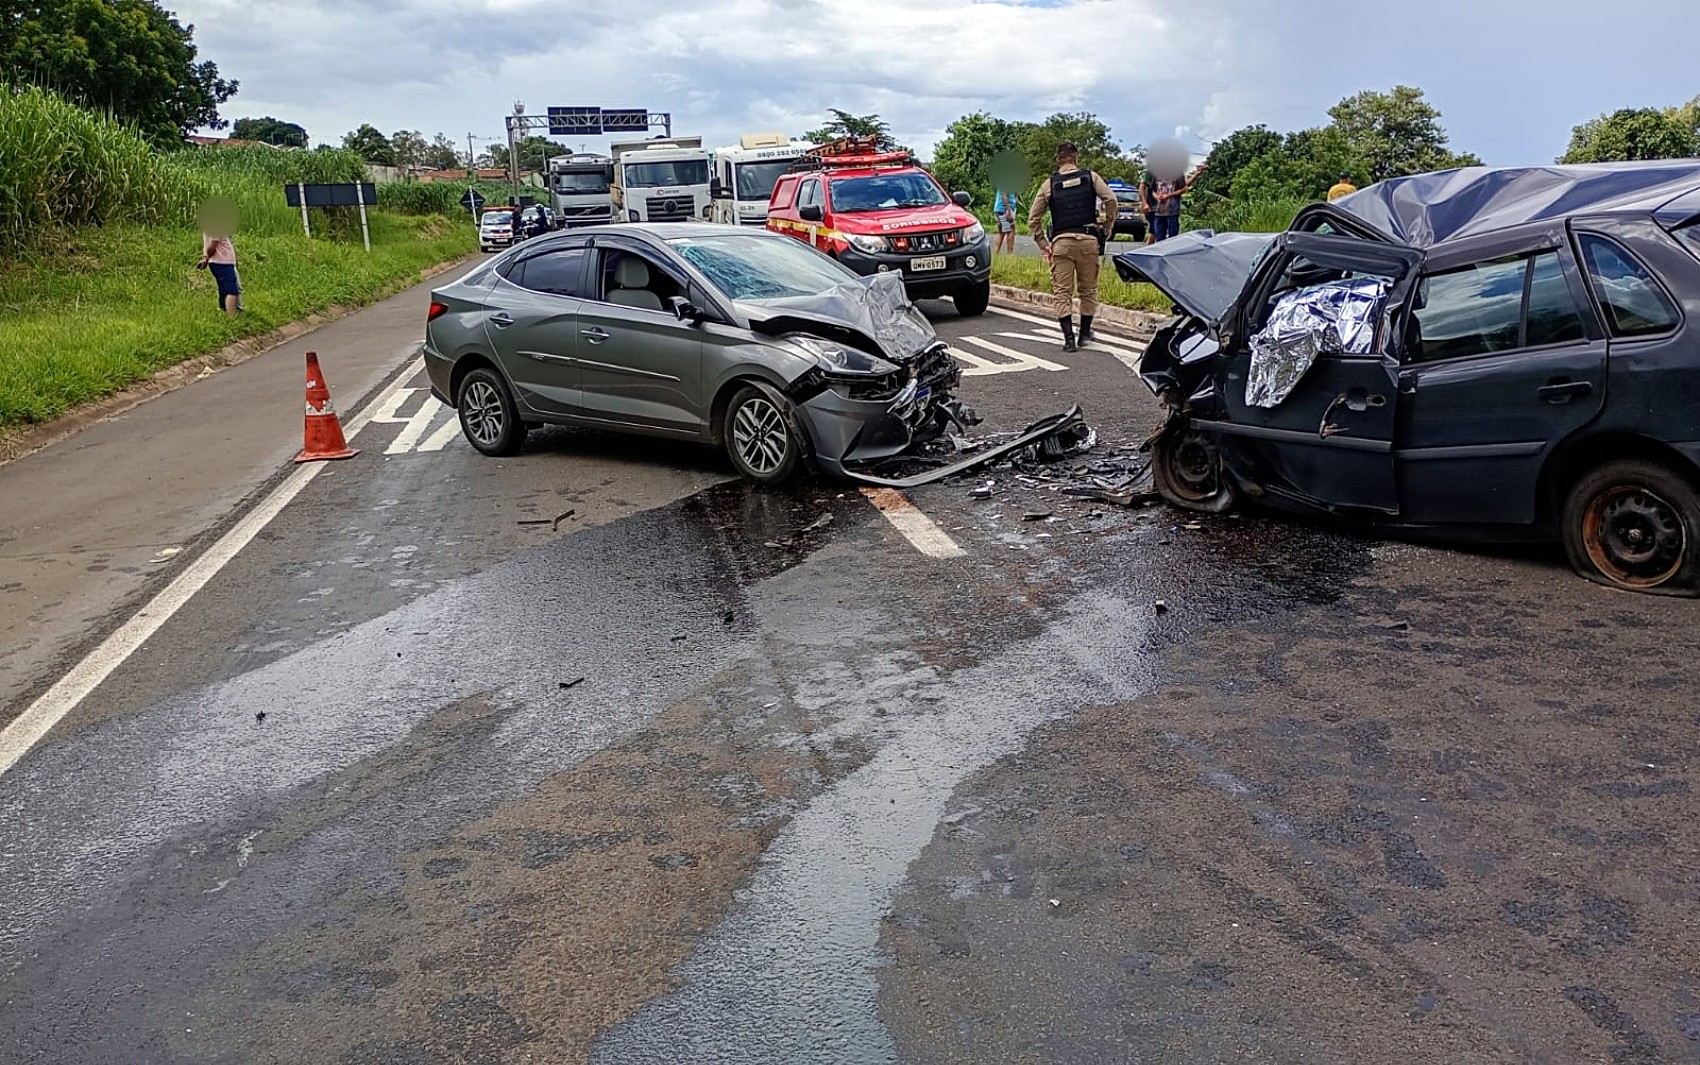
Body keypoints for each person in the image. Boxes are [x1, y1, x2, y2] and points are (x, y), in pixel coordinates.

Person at [1028, 141, 1118, 352]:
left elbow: (1033, 219)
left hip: (1061, 244)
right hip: (1088, 241)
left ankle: (1069, 340)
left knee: (1062, 292)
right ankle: (1084, 333)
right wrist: (1107, 225)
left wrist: (1043, 244)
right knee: (1088, 290)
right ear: (1076, 159)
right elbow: (1111, 199)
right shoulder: (1090, 177)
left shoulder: (1049, 184)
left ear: (1057, 161)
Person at [1140, 163, 1199, 243]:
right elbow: (1152, 190)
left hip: (1172, 210)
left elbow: (1184, 187)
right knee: (1158, 238)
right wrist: (1155, 197)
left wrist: (1168, 196)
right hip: (1157, 210)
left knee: (1172, 239)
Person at [197, 213, 240, 316]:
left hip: (217, 263)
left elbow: (206, 247)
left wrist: (205, 258)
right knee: (232, 290)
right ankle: (231, 316)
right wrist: (207, 258)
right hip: (223, 262)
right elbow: (212, 246)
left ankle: (223, 311)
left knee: (223, 289)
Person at [992, 188, 1020, 255]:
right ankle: (1009, 254)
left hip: (1002, 209)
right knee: (1011, 229)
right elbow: (1004, 196)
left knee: (1001, 231)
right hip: (1004, 209)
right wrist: (1008, 210)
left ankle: (996, 254)